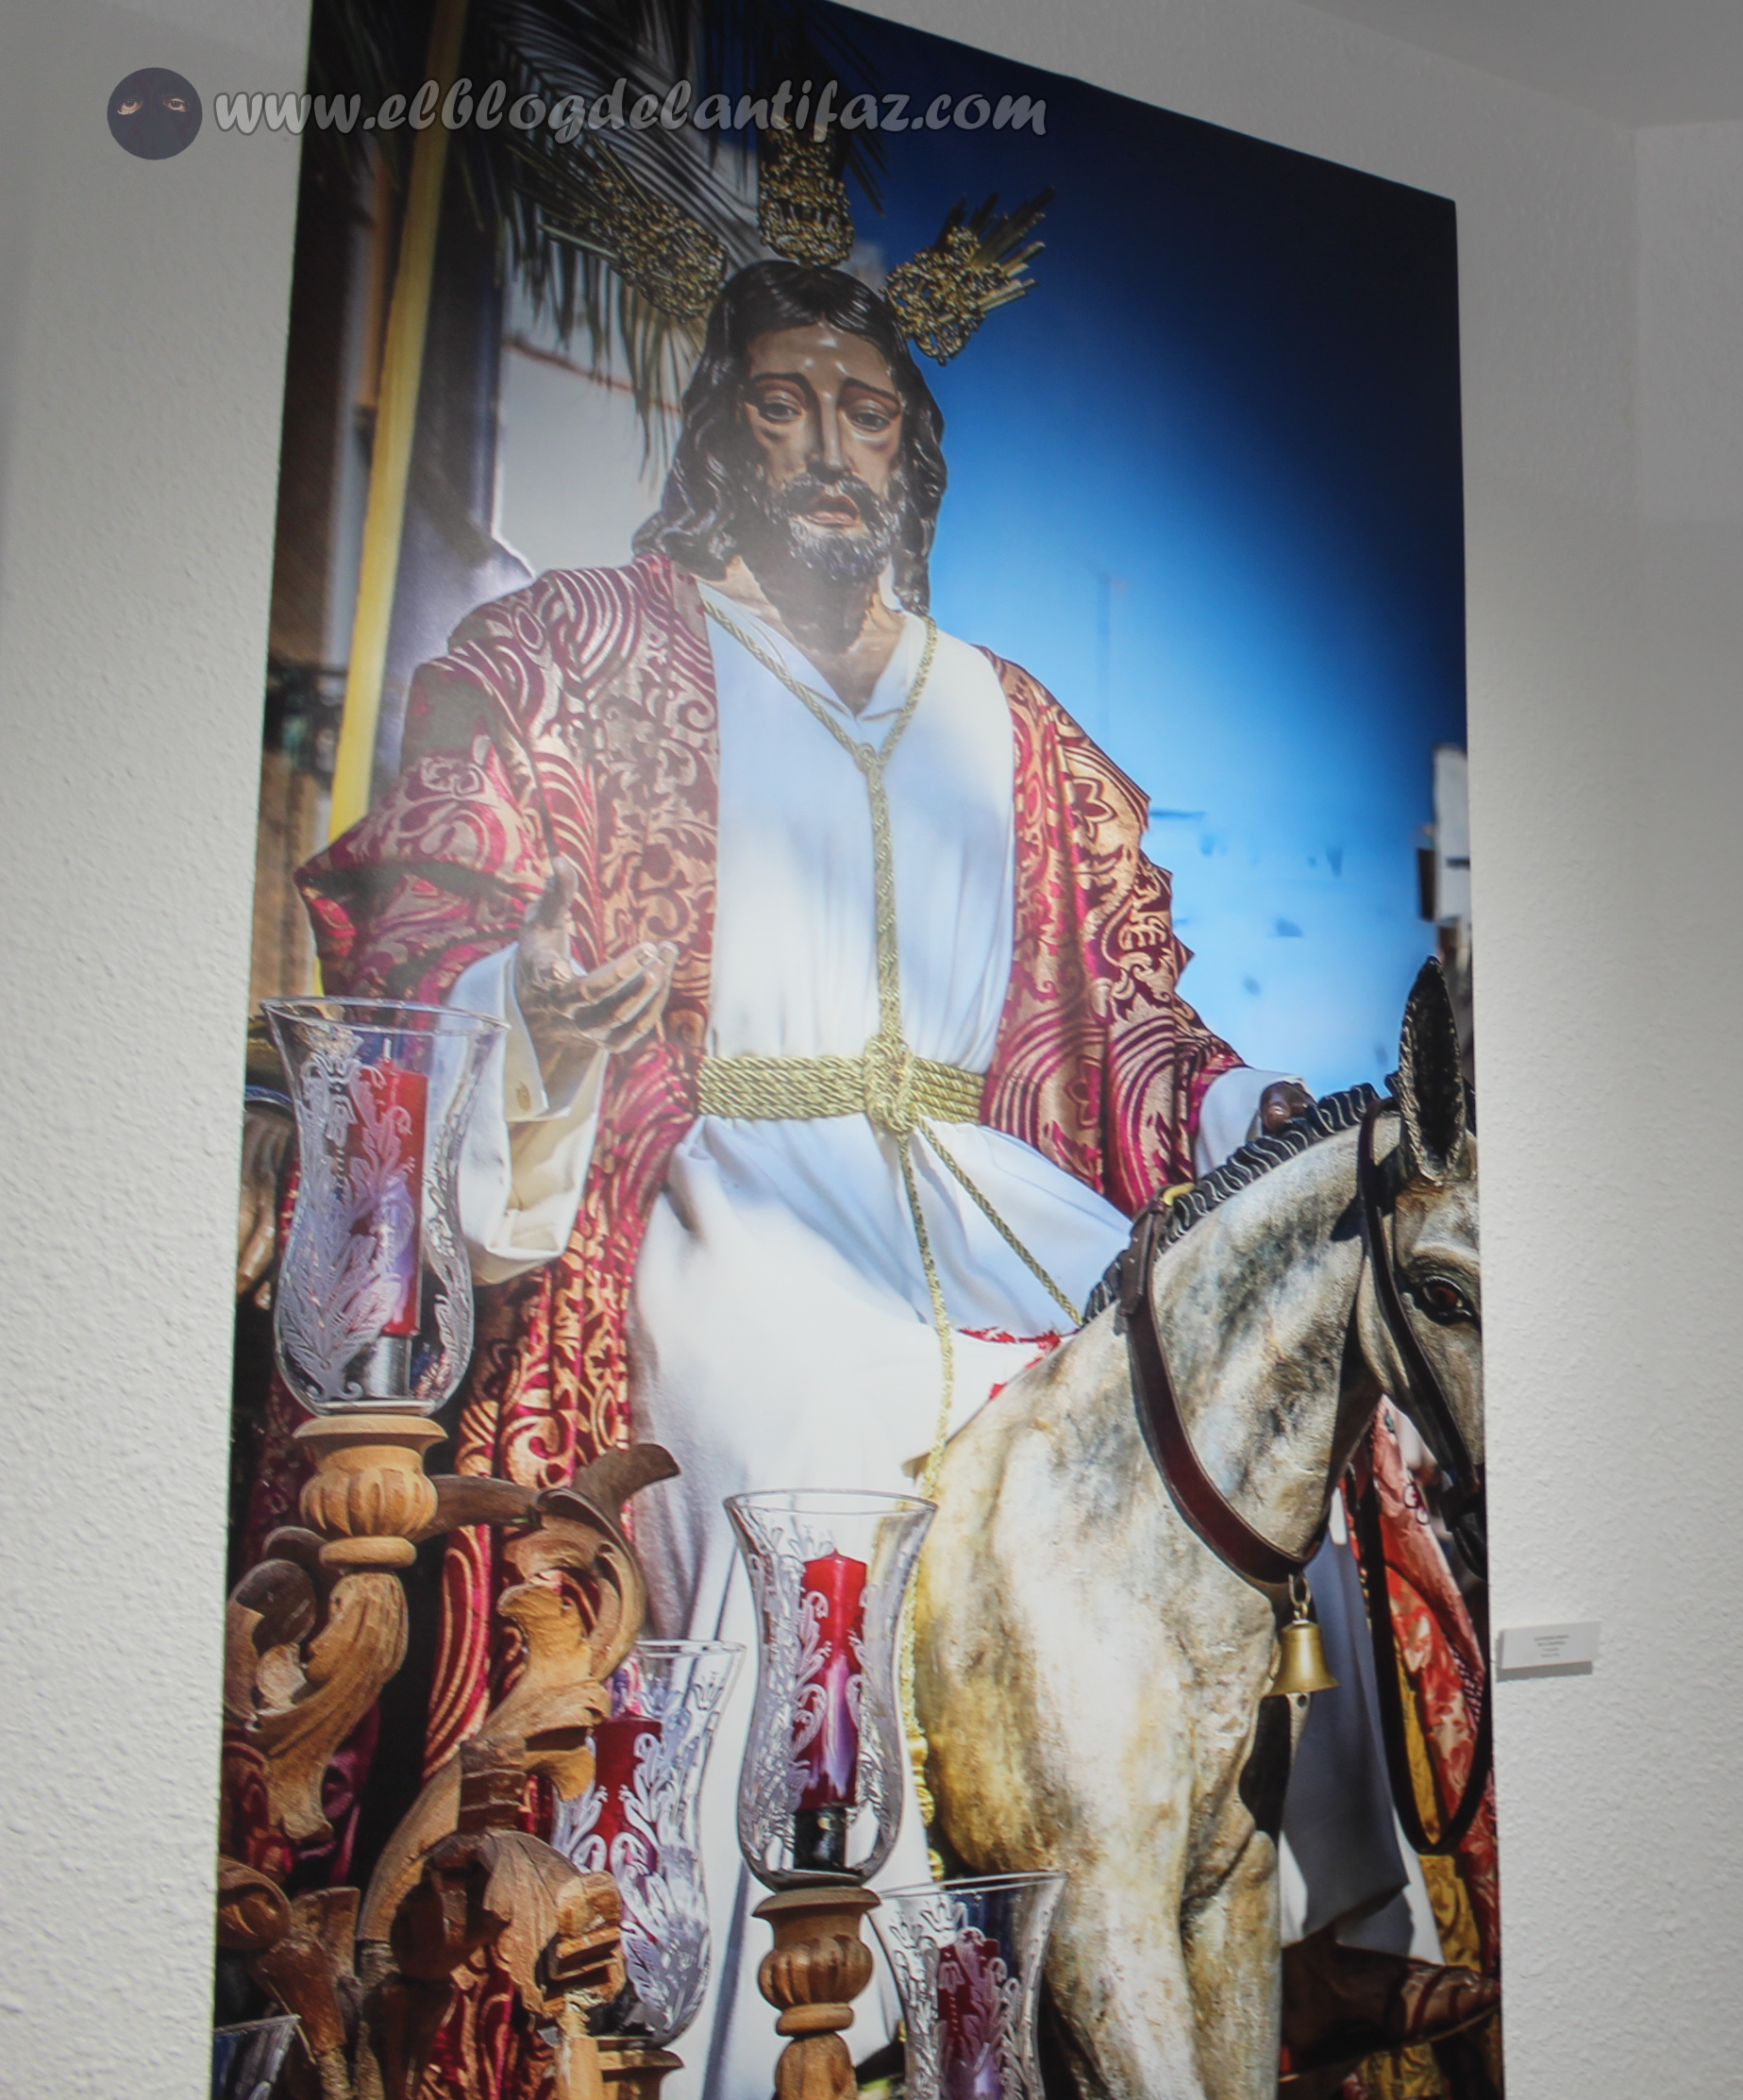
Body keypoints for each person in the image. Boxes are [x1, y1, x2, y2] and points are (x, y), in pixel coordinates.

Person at [292, 256, 1306, 2093]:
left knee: (1220, 1437)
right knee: (819, 1446)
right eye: (784, 403)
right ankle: (790, 2015)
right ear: (718, 434)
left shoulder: (1017, 725)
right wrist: (527, 1004)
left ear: (913, 454)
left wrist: (1254, 1121)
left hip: (1005, 1197)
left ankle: (1226, 1918)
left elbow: (1132, 1023)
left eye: (868, 412)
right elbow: (428, 892)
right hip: (713, 1186)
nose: (832, 446)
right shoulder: (582, 649)